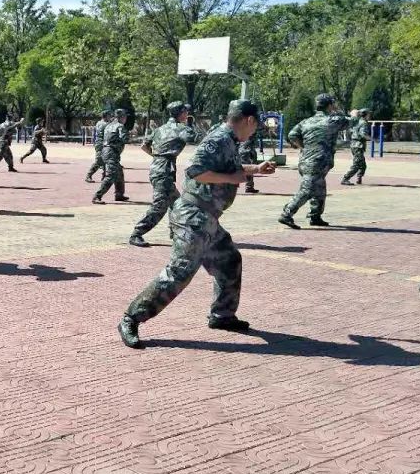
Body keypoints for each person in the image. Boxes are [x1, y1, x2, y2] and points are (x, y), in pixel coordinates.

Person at [118, 100, 278, 348]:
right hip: (193, 217)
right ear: (249, 121)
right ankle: (131, 318)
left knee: (229, 260)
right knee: (179, 272)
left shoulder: (230, 140)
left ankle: (222, 315)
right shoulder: (219, 139)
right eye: (256, 125)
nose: (255, 130)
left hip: (208, 220)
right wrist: (232, 177)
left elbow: (230, 168)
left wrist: (255, 169)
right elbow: (194, 170)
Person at [129, 102, 199, 247]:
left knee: (177, 203)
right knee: (159, 206)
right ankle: (137, 233)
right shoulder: (181, 129)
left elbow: (144, 145)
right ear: (180, 113)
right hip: (164, 170)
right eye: (186, 111)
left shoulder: (160, 129)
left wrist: (157, 157)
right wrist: (192, 124)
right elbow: (197, 139)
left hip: (157, 167)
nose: (187, 113)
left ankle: (176, 232)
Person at [279, 93, 351, 229]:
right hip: (318, 162)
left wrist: (303, 147)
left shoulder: (306, 121)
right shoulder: (333, 120)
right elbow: (351, 121)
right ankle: (286, 214)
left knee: (319, 189)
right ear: (330, 105)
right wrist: (340, 110)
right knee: (307, 190)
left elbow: (292, 135)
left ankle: (315, 216)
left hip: (306, 160)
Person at [92, 108, 131, 204]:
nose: (126, 119)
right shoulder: (120, 126)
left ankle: (119, 194)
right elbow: (124, 139)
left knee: (119, 173)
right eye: (125, 117)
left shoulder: (109, 125)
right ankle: (97, 196)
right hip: (111, 152)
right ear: (121, 117)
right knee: (111, 175)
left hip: (106, 151)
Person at [341, 108, 371, 185]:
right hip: (358, 145)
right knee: (357, 164)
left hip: (355, 145)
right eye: (368, 114)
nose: (370, 116)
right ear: (365, 115)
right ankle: (345, 178)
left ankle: (359, 178)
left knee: (362, 165)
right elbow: (363, 134)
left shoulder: (357, 121)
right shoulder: (363, 123)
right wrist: (372, 139)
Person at [85, 109, 113, 183]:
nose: (110, 117)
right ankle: (89, 175)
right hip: (101, 144)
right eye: (109, 115)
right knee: (99, 161)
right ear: (106, 116)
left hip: (101, 143)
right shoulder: (105, 124)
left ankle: (104, 176)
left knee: (105, 160)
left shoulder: (99, 123)